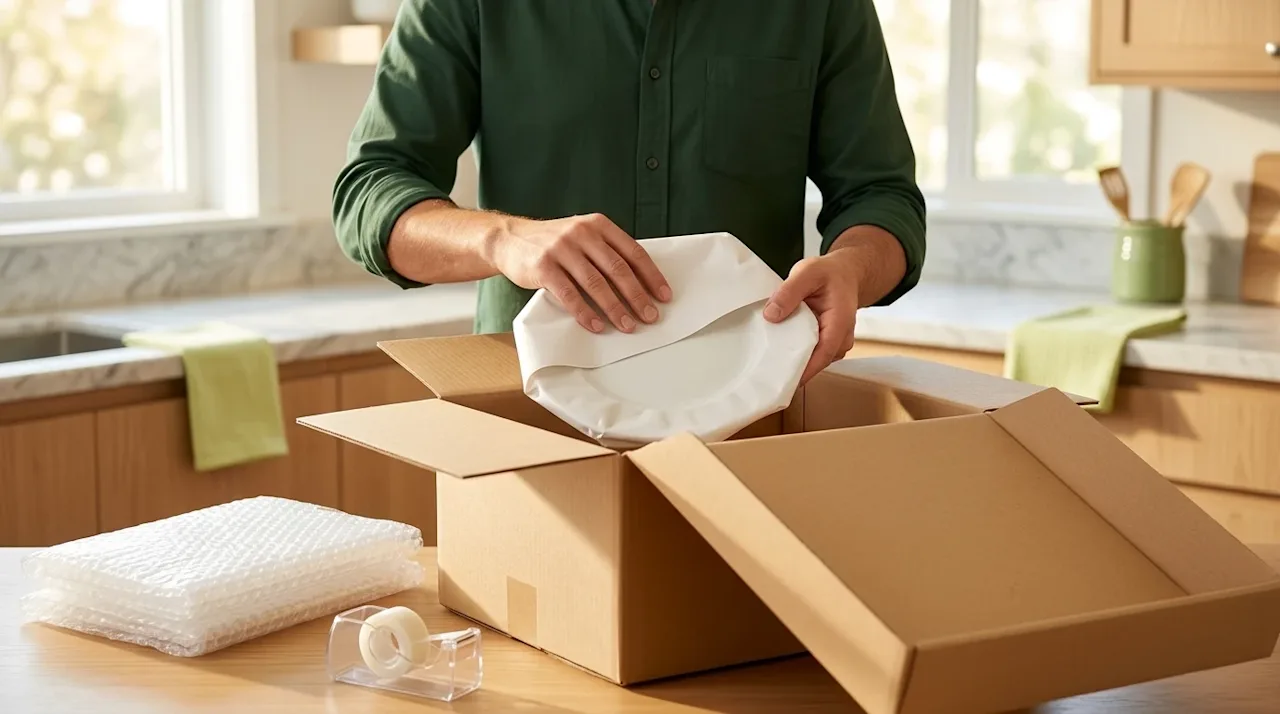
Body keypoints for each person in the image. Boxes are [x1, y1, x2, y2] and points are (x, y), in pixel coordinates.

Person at [333, 0, 925, 385]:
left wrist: (852, 267)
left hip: (748, 397)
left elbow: (881, 196)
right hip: (531, 401)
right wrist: (504, 238)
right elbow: (370, 192)